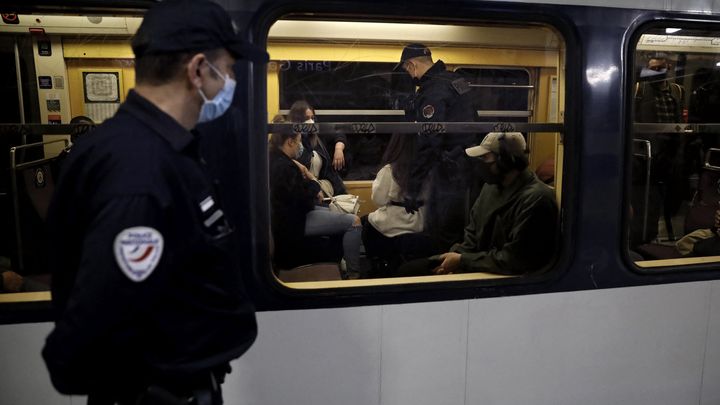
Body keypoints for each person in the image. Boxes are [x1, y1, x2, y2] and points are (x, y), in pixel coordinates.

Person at [41, 1, 268, 404]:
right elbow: (93, 326)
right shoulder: (140, 171)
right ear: (198, 70)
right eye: (228, 68)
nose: (230, 80)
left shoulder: (148, 148)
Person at [397, 132, 558, 276]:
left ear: (506, 161)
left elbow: (514, 260)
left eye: (485, 158)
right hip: (477, 263)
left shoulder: (537, 199)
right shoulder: (490, 188)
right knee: (408, 271)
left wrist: (462, 261)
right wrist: (450, 261)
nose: (479, 163)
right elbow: (472, 236)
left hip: (501, 275)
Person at [397, 43, 477, 250]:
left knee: (442, 228)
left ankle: (442, 272)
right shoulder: (457, 81)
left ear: (411, 65)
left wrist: (413, 188)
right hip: (468, 162)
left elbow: (429, 143)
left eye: (406, 70)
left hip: (448, 168)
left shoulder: (432, 92)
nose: (409, 75)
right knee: (461, 224)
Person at [268, 128, 363, 279]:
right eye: (298, 142)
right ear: (290, 142)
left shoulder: (276, 159)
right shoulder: (284, 167)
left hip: (290, 220)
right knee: (354, 222)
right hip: (294, 225)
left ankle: (339, 264)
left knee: (340, 214)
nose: (300, 146)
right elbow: (302, 199)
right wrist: (314, 184)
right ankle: (354, 276)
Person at [361, 133, 437, 276]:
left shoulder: (390, 170)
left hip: (394, 226)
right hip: (422, 223)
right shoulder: (430, 170)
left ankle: (377, 267)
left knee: (366, 222)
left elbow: (378, 200)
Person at [631, 52, 687, 244]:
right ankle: (644, 236)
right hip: (645, 154)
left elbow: (679, 121)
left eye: (659, 69)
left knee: (669, 198)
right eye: (652, 69)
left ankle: (663, 234)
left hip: (669, 154)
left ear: (668, 69)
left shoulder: (677, 91)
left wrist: (679, 152)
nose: (655, 73)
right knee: (645, 198)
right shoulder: (640, 89)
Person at [289, 100, 347, 196]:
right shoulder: (292, 143)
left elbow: (338, 132)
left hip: (324, 189)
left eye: (312, 118)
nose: (311, 122)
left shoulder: (317, 137)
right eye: (306, 118)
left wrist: (339, 148)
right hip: (305, 192)